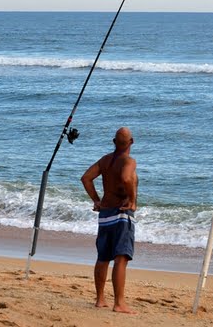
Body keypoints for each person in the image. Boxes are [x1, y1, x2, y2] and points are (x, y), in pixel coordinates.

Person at [80, 127, 138, 314]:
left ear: (114, 142)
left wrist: (97, 200)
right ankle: (119, 303)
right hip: (121, 215)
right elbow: (126, 177)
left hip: (105, 215)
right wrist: (132, 200)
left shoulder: (106, 160)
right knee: (121, 259)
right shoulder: (128, 161)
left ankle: (100, 299)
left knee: (103, 258)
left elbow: (86, 178)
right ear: (132, 142)